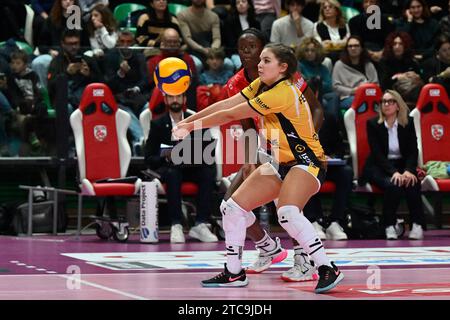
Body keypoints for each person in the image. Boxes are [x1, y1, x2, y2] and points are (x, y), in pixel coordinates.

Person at [173, 43, 344, 293]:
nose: (259, 65)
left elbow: (230, 115)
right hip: (278, 162)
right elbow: (225, 104)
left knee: (286, 212)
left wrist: (189, 128)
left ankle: (326, 267)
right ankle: (234, 272)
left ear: (283, 68)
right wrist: (186, 120)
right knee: (231, 208)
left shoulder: (282, 92)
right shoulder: (262, 84)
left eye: (266, 61)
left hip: (307, 162)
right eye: (260, 60)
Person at [219, 28, 322, 282]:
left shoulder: (288, 77)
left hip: (296, 148)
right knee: (230, 204)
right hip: (264, 148)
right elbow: (244, 125)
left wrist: (303, 142)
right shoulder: (235, 84)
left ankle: (304, 260)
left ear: (264, 49)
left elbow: (317, 109)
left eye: (252, 47)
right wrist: (249, 159)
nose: (246, 52)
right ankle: (268, 248)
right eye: (241, 47)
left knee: (288, 208)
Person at [144, 92, 219, 243]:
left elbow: (209, 150)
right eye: (171, 97)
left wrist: (199, 154)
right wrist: (166, 156)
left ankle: (201, 224)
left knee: (207, 172)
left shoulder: (196, 121)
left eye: (178, 97)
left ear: (184, 99)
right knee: (173, 173)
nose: (175, 100)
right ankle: (176, 224)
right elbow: (149, 158)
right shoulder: (157, 124)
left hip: (193, 166)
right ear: (165, 100)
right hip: (171, 168)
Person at [362, 90, 426, 240]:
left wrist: (409, 170)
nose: (386, 105)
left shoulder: (408, 123)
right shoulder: (373, 124)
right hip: (379, 166)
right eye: (384, 101)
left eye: (390, 101)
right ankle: (389, 225)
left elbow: (412, 150)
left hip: (403, 165)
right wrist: (394, 173)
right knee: (394, 184)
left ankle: (417, 224)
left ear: (398, 105)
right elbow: (377, 154)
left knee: (412, 183)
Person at [103, 30, 149, 155]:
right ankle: (140, 139)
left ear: (133, 43)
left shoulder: (139, 57)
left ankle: (149, 141)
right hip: (119, 98)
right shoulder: (111, 57)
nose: (125, 45)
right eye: (122, 42)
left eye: (128, 42)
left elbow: (146, 80)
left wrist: (136, 88)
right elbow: (108, 85)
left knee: (149, 108)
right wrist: (120, 74)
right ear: (118, 43)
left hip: (137, 97)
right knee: (126, 113)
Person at [6, 50, 48, 155]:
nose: (14, 66)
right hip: (22, 103)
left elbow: (38, 91)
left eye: (18, 63)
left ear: (25, 65)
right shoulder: (11, 77)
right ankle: (32, 136)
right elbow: (13, 94)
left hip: (34, 101)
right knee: (23, 108)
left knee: (42, 108)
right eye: (13, 63)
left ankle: (42, 138)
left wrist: (35, 102)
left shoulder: (32, 75)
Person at [332, 36, 379, 112]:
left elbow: (376, 85)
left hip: (367, 96)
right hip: (347, 97)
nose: (353, 48)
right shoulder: (339, 65)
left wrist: (364, 90)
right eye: (350, 46)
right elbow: (336, 87)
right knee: (362, 104)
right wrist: (352, 91)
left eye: (356, 46)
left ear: (361, 48)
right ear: (347, 49)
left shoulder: (368, 64)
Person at [378, 31, 423, 107]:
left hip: (411, 96)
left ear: (406, 46)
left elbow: (421, 79)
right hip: (391, 95)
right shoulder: (384, 62)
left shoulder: (412, 62)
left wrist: (416, 77)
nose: (397, 46)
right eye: (394, 44)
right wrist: (398, 78)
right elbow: (383, 85)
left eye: (401, 44)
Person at [223, 0, 260, 69]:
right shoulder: (229, 21)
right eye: (238, 2)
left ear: (249, 5)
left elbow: (259, 40)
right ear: (235, 6)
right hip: (236, 53)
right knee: (241, 65)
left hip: (253, 52)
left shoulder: (255, 22)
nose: (240, 4)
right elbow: (230, 42)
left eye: (243, 1)